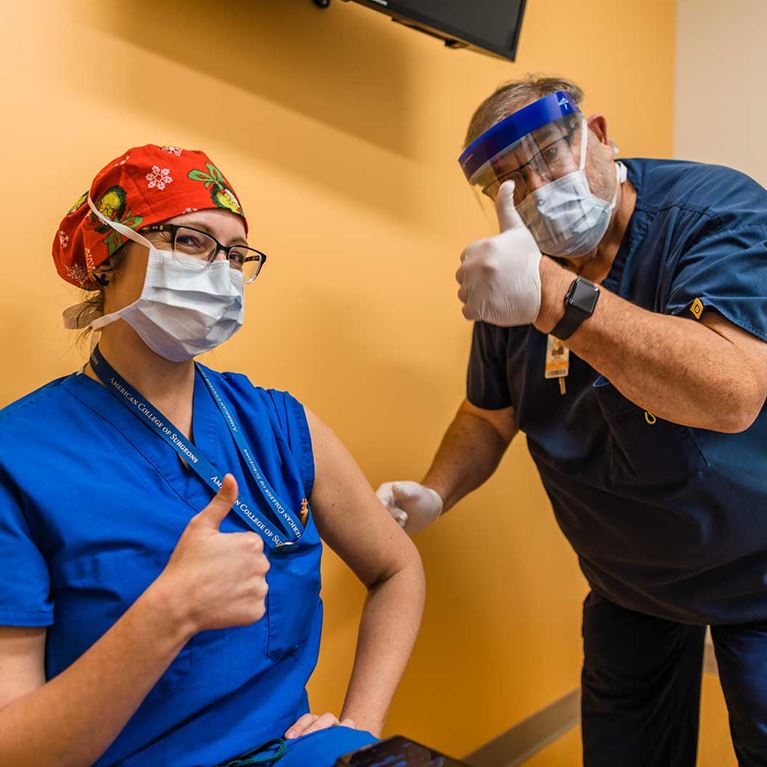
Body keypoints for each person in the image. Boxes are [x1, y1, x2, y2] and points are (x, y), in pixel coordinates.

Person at [377, 76, 767, 767]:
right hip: (626, 581)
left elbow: (732, 391)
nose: (535, 189)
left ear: (598, 134)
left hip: (754, 569)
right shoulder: (517, 270)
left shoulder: (713, 212)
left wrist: (558, 298)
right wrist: (436, 490)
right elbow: (489, 412)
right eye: (508, 180)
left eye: (547, 157)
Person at [0, 145, 425, 767]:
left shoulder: (279, 424)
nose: (220, 270)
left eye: (235, 254)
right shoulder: (21, 457)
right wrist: (168, 614)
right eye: (192, 241)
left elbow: (397, 569)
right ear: (107, 257)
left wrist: (358, 726)